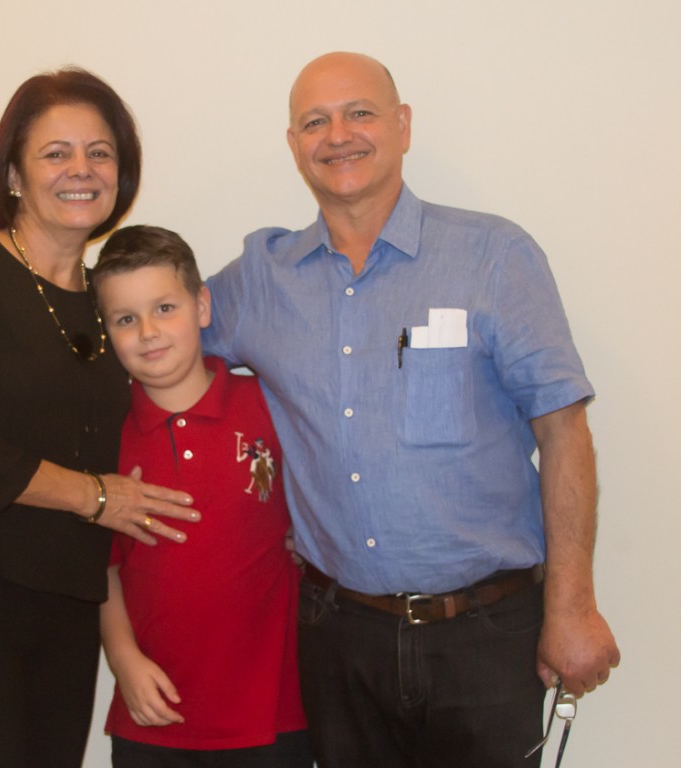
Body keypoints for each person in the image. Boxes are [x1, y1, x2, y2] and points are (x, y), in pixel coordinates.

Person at [202, 52, 620, 767]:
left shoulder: (494, 255)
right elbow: (157, 332)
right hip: (337, 639)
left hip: (486, 635)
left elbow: (563, 432)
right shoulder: (262, 280)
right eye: (315, 122)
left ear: (402, 125)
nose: (338, 135)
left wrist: (573, 606)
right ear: (294, 145)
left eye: (359, 113)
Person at [0, 70, 199, 768]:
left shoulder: (108, 304)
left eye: (99, 153)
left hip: (69, 598)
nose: (81, 169)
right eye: (56, 153)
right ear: (13, 174)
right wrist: (96, 497)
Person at [92, 225, 313, 768]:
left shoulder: (268, 403)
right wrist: (122, 660)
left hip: (272, 716)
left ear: (202, 306)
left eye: (165, 308)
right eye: (126, 319)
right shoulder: (105, 435)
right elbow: (102, 568)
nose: (148, 332)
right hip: (152, 716)